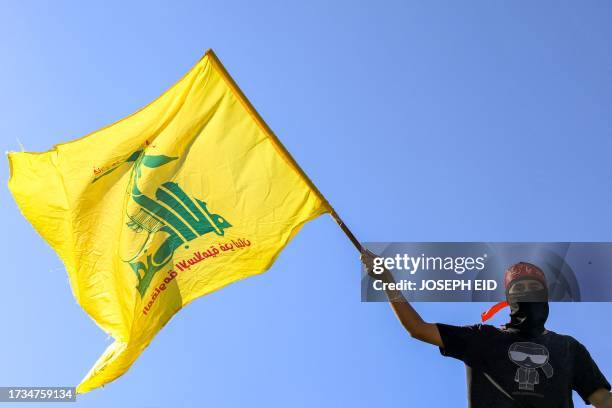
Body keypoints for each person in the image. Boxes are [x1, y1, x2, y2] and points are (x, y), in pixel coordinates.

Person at [361, 250, 612, 408]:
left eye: (533, 289)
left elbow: (601, 399)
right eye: (519, 289)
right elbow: (417, 328)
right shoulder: (482, 338)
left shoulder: (568, 348)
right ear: (508, 299)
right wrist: (387, 279)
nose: (526, 294)